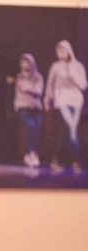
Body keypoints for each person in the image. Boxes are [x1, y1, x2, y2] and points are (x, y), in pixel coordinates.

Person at [44, 40, 88, 174]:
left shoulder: (78, 66)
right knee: (71, 128)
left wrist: (71, 72)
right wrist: (47, 99)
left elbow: (83, 85)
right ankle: (77, 160)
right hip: (61, 99)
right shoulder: (55, 66)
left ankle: (56, 159)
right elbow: (50, 84)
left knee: (67, 131)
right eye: (58, 50)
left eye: (62, 50)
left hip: (76, 101)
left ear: (69, 50)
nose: (60, 53)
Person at [12, 53, 44, 167]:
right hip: (22, 106)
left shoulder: (38, 77)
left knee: (36, 130)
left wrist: (28, 89)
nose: (25, 64)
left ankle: (32, 153)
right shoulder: (20, 77)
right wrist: (29, 90)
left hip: (36, 107)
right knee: (30, 126)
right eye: (22, 62)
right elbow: (19, 91)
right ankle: (30, 152)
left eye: (27, 62)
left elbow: (39, 91)